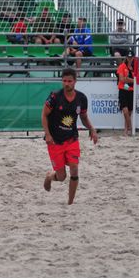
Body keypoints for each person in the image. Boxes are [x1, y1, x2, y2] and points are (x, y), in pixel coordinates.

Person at [42, 68, 98, 205]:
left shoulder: (81, 98)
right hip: (55, 141)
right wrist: (48, 135)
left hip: (72, 139)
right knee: (61, 177)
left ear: (75, 82)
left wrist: (91, 128)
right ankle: (49, 177)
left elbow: (83, 117)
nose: (66, 83)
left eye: (69, 81)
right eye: (64, 81)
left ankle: (70, 203)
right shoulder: (55, 97)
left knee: (74, 168)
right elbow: (44, 115)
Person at [116, 50, 139, 136]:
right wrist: (132, 80)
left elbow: (137, 80)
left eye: (131, 57)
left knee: (129, 113)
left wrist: (129, 79)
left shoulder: (134, 68)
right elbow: (122, 79)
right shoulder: (122, 66)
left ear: (133, 58)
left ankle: (126, 131)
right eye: (128, 57)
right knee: (125, 111)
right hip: (123, 91)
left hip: (131, 91)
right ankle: (130, 127)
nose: (129, 59)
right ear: (126, 57)